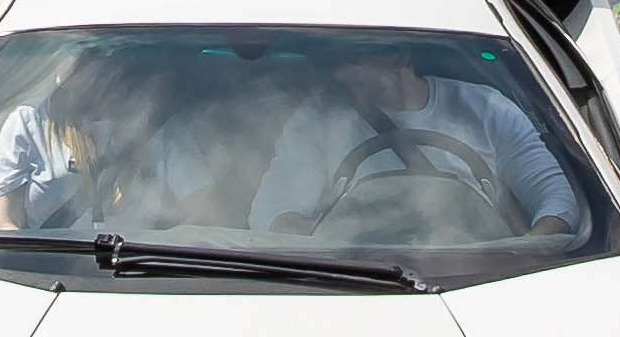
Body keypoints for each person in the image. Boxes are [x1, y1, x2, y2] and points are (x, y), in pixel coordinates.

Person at [247, 42, 582, 243]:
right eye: (331, 63)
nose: (337, 74)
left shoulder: (486, 108)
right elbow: (272, 209)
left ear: (398, 59)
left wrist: (524, 253)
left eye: (350, 61)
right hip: (358, 278)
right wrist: (323, 244)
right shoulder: (319, 116)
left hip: (482, 277)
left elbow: (556, 199)